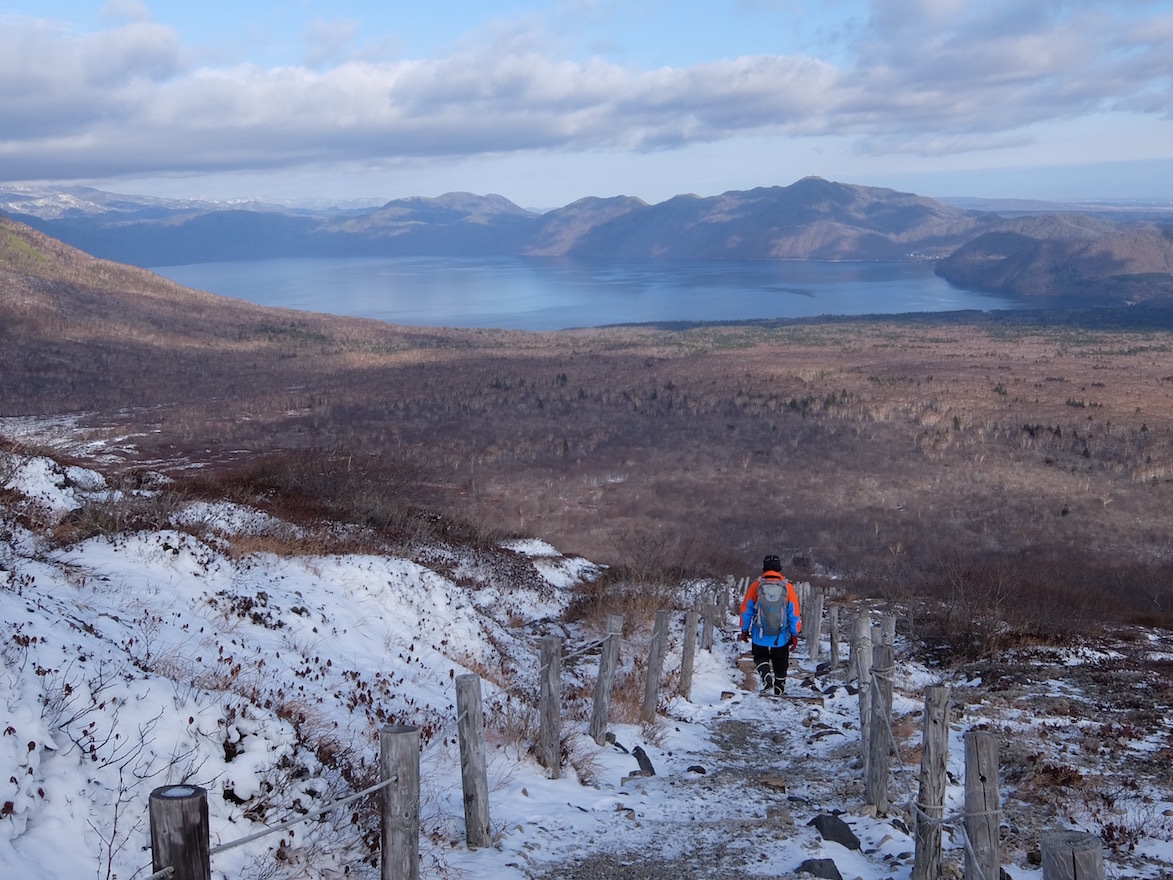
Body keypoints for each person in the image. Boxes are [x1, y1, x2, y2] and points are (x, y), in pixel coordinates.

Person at [739, 554, 801, 695]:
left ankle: (766, 676)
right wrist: (795, 633)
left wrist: (744, 630)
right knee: (781, 660)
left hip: (759, 632)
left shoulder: (755, 586)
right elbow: (794, 613)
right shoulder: (788, 587)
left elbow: (746, 611)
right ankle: (779, 687)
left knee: (760, 655)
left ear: (764, 568)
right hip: (781, 634)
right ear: (779, 569)